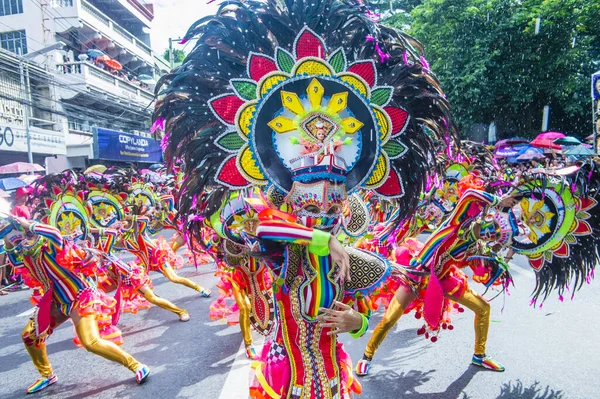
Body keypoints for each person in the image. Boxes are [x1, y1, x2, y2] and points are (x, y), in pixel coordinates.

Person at [3, 216, 149, 394]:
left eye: (27, 235)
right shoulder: (27, 255)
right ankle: (47, 375)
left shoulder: (52, 245)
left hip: (81, 297)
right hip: (57, 302)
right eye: (20, 239)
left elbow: (54, 233)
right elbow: (16, 262)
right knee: (30, 335)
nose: (25, 241)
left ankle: (136, 365)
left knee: (91, 342)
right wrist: (7, 240)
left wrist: (27, 224)